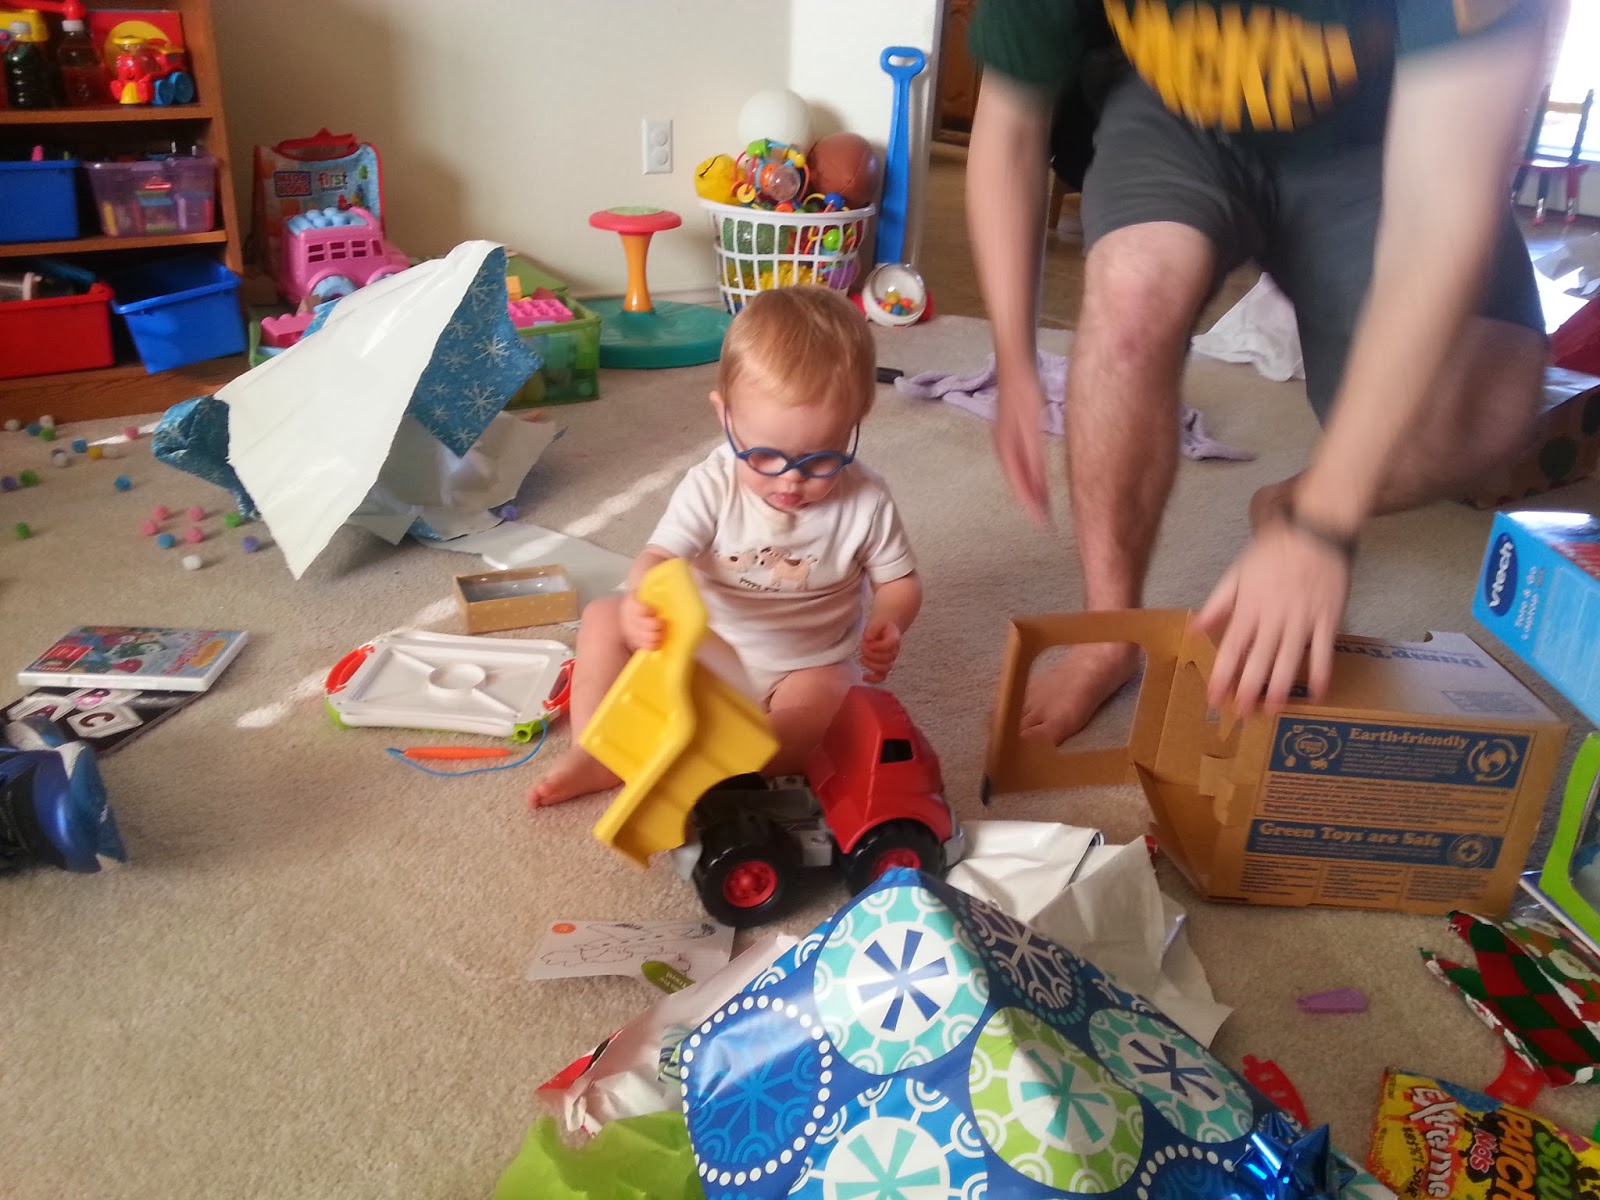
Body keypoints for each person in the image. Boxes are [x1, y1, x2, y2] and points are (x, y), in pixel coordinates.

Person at [966, 0, 1550, 742]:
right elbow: (1011, 126)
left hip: (1384, 124)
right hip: (1175, 112)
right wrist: (1015, 359)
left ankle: (1287, 508)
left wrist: (1324, 518)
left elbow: (1439, 213)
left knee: (1489, 406)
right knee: (1131, 295)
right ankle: (1107, 636)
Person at [528, 286, 923, 808]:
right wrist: (643, 601)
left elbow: (899, 581)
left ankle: (725, 762)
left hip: (802, 668)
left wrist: (890, 620)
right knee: (604, 617)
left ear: (855, 424)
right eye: (764, 456)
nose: (790, 479)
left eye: (821, 459)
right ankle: (599, 749)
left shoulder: (866, 499)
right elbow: (659, 557)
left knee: (841, 705)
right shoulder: (711, 485)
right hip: (697, 653)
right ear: (726, 416)